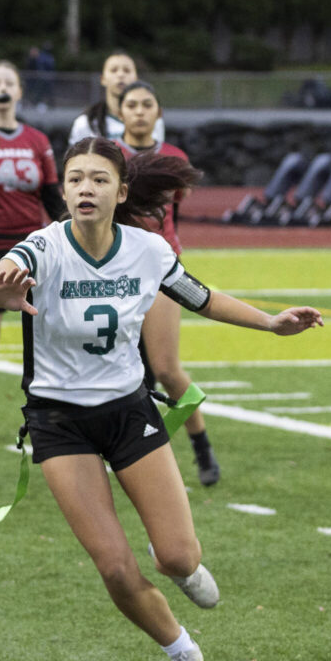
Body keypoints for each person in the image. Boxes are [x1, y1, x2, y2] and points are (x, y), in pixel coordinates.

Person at [0, 136, 322, 661]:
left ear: (121, 191)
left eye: (100, 179)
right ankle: (182, 652)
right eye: (77, 178)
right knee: (113, 565)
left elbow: (201, 297)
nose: (87, 187)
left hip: (130, 411)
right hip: (59, 422)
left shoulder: (149, 250)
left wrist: (271, 323)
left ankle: (173, 558)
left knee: (181, 558)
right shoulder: (43, 246)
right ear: (63, 189)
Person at [115, 81, 221, 486]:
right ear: (119, 113)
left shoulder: (174, 156)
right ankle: (130, 454)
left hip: (161, 270)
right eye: (132, 105)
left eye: (147, 105)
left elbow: (177, 205)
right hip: (115, 272)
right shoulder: (109, 154)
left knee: (166, 368)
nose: (139, 111)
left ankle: (202, 446)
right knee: (125, 372)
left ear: (158, 113)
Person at [0, 60, 64, 442]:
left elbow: (52, 195)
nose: (3, 88)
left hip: (33, 246)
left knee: (43, 332)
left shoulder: (38, 141)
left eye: (10, 82)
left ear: (19, 91)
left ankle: (47, 415)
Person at [68, 50, 165, 145]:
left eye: (127, 70)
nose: (120, 75)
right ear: (102, 79)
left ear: (136, 78)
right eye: (114, 70)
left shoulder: (151, 119)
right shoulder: (86, 122)